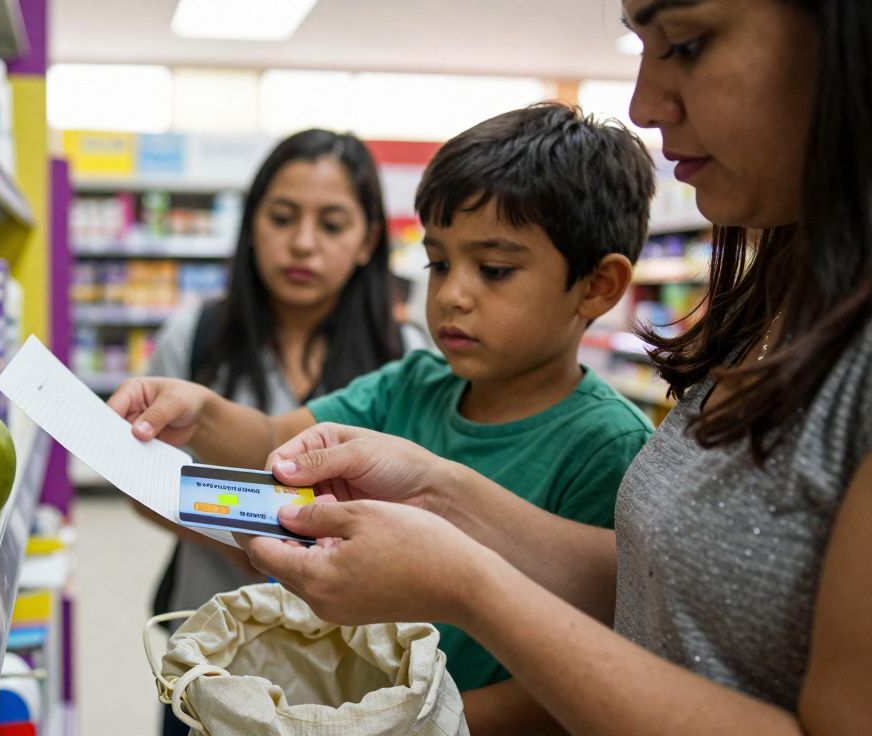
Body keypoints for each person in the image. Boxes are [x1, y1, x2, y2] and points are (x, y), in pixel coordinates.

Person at [240, 1, 872, 733]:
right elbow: (661, 593)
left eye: (687, 43)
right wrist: (439, 493)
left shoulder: (609, 435)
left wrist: (467, 586)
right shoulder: (776, 307)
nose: (643, 103)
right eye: (439, 263)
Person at [112, 103, 657, 733]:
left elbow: (589, 673)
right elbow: (274, 442)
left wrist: (409, 724)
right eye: (439, 263)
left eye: (495, 270)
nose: (452, 294)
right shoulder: (412, 382)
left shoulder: (608, 447)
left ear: (597, 286)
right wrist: (203, 414)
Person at [139, 129, 412, 736]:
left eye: (332, 224)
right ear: (252, 224)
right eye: (283, 217)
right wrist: (237, 547)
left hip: (349, 669)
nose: (303, 243)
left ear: (368, 240)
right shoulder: (197, 337)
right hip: (210, 646)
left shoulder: (406, 362)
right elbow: (143, 481)